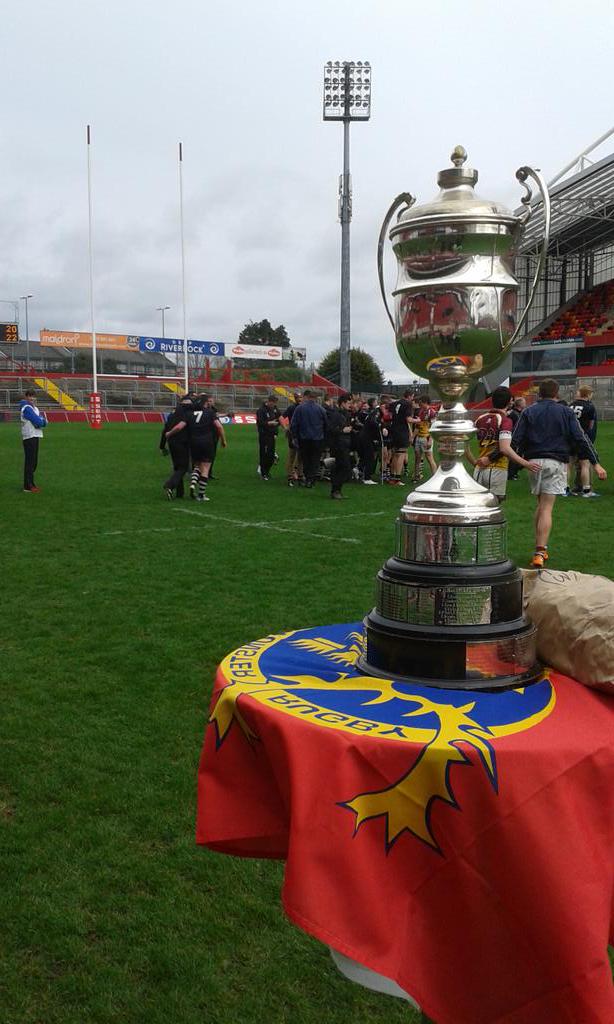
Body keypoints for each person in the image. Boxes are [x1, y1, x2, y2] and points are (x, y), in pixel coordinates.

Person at [512, 378, 607, 568]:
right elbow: (581, 438)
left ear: (540, 393)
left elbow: (516, 439)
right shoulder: (565, 411)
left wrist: (511, 463)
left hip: (533, 462)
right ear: (557, 393)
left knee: (540, 505)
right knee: (547, 508)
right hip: (555, 461)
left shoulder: (529, 411)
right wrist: (595, 463)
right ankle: (540, 551)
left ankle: (539, 547)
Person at [466, 386, 540, 502]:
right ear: (509, 402)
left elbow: (465, 444)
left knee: (478, 509)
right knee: (493, 510)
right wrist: (526, 463)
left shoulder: (480, 418)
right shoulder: (505, 420)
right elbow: (505, 448)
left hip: (479, 469)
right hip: (497, 469)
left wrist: (474, 462)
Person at [166, 392, 226, 502]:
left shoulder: (189, 414)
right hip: (207, 442)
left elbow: (179, 427)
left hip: (193, 443)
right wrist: (223, 440)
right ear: (205, 403)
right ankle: (201, 494)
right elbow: (219, 427)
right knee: (206, 468)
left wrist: (169, 433)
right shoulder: (210, 412)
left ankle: (193, 483)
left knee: (197, 465)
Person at [290, 390, 328, 488]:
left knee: (305, 459)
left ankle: (307, 478)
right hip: (317, 438)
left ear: (307, 397)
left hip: (304, 438)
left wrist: (294, 436)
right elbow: (326, 424)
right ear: (315, 398)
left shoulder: (299, 408)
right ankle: (312, 479)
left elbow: (294, 424)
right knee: (315, 459)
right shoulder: (321, 409)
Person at [569, 385, 599, 497]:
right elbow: (591, 425)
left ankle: (565, 488)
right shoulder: (589, 406)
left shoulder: (570, 405)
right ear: (588, 394)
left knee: (568, 464)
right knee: (585, 464)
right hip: (582, 437)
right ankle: (586, 490)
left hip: (570, 437)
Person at [161, 395, 193, 499]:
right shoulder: (188, 414)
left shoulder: (171, 415)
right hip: (182, 442)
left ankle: (180, 493)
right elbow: (180, 427)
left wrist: (162, 445)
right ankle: (169, 485)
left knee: (177, 467)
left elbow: (164, 431)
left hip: (172, 443)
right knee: (183, 467)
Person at [19, 389, 47, 492]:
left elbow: (41, 420)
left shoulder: (35, 408)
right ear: (26, 397)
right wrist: (42, 422)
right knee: (30, 462)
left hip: (36, 435)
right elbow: (38, 421)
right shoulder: (26, 408)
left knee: (34, 462)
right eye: (29, 396)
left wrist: (41, 422)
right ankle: (28, 486)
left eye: (33, 396)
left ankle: (31, 483)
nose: (32, 398)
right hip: (29, 436)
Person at [326, 394, 353, 499]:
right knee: (343, 468)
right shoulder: (335, 414)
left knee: (342, 468)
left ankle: (337, 490)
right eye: (348, 403)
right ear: (343, 403)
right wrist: (342, 430)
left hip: (345, 444)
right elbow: (330, 429)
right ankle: (335, 490)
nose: (350, 405)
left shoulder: (346, 414)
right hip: (338, 445)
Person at [389, 389, 417, 486]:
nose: (412, 399)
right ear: (410, 396)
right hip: (402, 431)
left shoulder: (395, 403)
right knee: (401, 454)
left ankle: (392, 477)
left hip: (394, 430)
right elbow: (408, 419)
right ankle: (397, 478)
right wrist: (418, 420)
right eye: (412, 397)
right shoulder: (407, 404)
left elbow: (389, 414)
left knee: (395, 454)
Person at [280, 392, 303, 486]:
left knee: (300, 456)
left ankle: (298, 474)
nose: (300, 399)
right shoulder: (292, 408)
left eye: (300, 397)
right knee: (292, 455)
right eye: (298, 397)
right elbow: (281, 417)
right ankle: (291, 475)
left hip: (301, 434)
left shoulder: (301, 407)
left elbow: (281, 417)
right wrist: (286, 427)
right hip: (294, 434)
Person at [413, 395, 437, 481]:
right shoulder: (421, 411)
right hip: (419, 437)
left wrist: (430, 440)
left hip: (426, 437)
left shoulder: (432, 412)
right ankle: (416, 476)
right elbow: (417, 425)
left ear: (425, 402)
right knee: (417, 457)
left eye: (421, 402)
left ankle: (435, 478)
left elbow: (433, 427)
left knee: (429, 457)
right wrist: (413, 437)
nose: (419, 404)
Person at [256, 395, 280, 481]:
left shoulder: (274, 409)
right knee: (264, 455)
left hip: (272, 435)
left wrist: (276, 431)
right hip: (264, 435)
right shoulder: (261, 410)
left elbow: (279, 418)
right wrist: (269, 423)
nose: (274, 405)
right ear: (269, 401)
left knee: (271, 455)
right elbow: (260, 423)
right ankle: (263, 473)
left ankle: (267, 471)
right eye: (273, 403)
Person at [506, 396, 526, 481]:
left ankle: (514, 472)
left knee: (519, 455)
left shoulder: (519, 413)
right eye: (524, 402)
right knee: (514, 455)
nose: (525, 404)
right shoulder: (514, 414)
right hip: (513, 438)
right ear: (520, 404)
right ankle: (511, 474)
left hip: (517, 438)